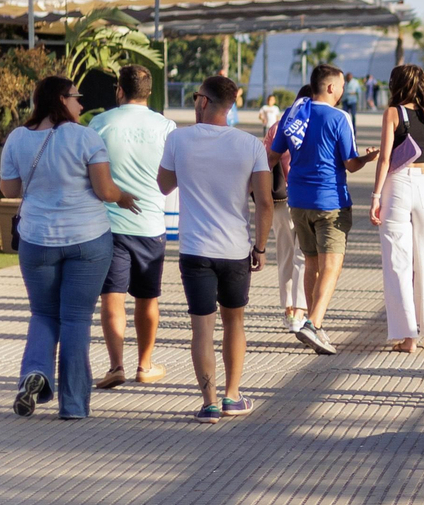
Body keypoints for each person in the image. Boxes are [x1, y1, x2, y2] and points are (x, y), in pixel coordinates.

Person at [0, 76, 140, 420]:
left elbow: (9, 188)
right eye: (77, 98)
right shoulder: (84, 136)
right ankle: (74, 405)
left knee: (43, 314)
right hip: (87, 240)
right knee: (76, 319)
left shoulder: (18, 138)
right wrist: (124, 197)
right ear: (62, 100)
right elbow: (105, 190)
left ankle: (35, 373)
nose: (81, 104)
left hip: (37, 240)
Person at [159, 75, 273, 423]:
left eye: (196, 97)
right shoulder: (250, 145)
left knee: (202, 328)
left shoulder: (178, 138)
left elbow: (164, 185)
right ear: (232, 105)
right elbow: (265, 202)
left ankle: (208, 403)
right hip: (236, 249)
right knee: (234, 322)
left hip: (195, 249)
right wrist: (261, 247)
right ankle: (232, 396)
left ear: (203, 101)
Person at [268, 64, 379, 354]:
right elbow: (350, 164)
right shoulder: (339, 117)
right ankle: (313, 324)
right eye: (341, 86)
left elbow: (272, 155)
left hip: (298, 202)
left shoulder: (292, 115)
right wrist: (369, 158)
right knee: (332, 265)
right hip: (330, 202)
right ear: (330, 87)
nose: (343, 91)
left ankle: (311, 321)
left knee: (312, 263)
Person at [88, 64, 176, 390]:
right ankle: (145, 364)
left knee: (112, 298)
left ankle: (115, 366)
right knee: (148, 298)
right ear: (149, 93)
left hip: (108, 224)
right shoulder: (166, 126)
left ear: (119, 91)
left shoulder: (100, 124)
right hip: (151, 223)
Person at [371, 64, 424, 352]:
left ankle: (407, 337)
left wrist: (375, 196)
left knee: (397, 261)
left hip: (398, 184)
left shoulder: (393, 113)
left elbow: (385, 159)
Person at [266, 84, 312, 332]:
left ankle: (288, 310)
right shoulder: (314, 125)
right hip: (305, 199)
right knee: (303, 256)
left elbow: (264, 163)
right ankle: (299, 312)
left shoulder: (277, 126)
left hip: (280, 202)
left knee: (284, 254)